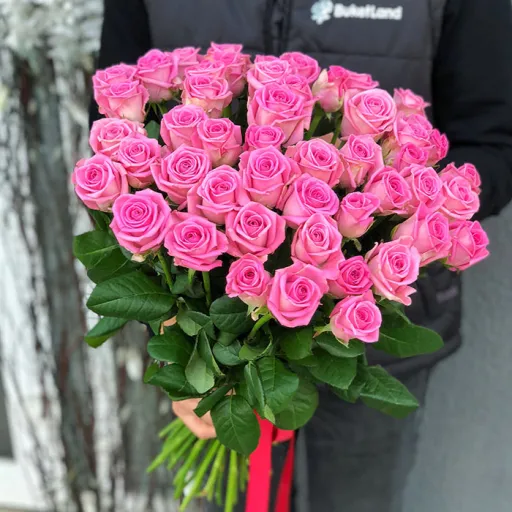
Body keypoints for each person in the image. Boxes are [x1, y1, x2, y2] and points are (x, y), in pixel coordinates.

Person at [92, 1, 512, 510]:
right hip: (211, 331)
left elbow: (492, 142)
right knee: (225, 493)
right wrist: (183, 337)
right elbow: (115, 122)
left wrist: (407, 216)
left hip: (371, 329)